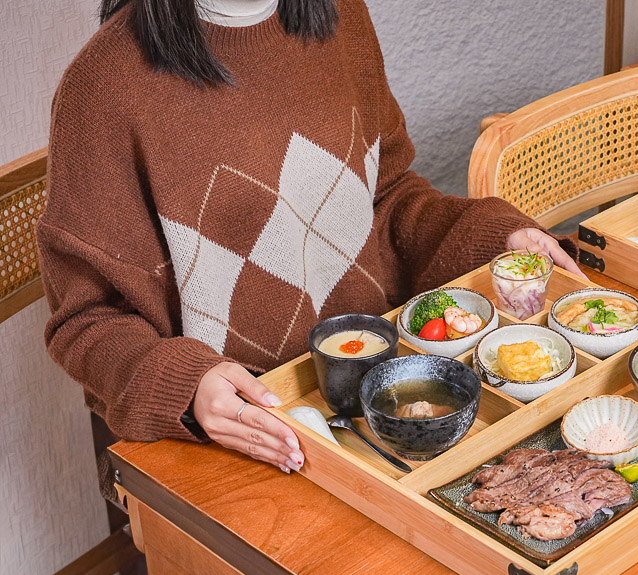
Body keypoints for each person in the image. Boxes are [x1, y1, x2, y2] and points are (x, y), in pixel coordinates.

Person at [38, 0, 581, 476]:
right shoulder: (104, 86)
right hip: (239, 443)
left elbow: (386, 196)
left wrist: (494, 236)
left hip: (381, 400)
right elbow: (87, 319)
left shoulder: (341, 14)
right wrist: (188, 386)